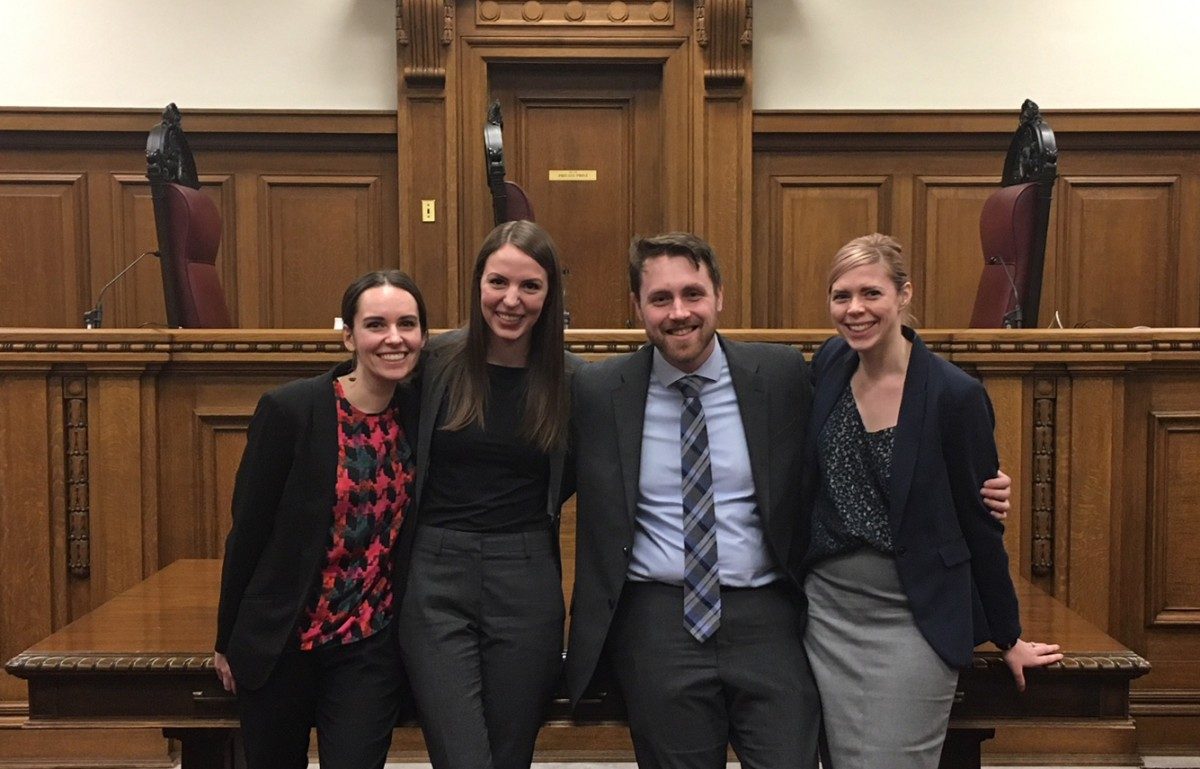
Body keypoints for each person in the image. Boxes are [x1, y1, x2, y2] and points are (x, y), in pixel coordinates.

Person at [802, 233, 1062, 769]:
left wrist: (1007, 634)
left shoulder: (953, 394)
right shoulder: (829, 363)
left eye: (871, 293)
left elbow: (980, 523)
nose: (854, 310)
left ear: (904, 295)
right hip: (825, 614)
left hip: (911, 616)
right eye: (840, 296)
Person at [213, 270, 427, 769]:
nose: (393, 338)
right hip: (282, 640)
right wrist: (227, 638)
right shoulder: (293, 409)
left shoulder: (421, 413)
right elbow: (248, 529)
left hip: (367, 645)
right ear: (349, 336)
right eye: (376, 324)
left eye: (408, 324)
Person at [396, 220, 579, 769]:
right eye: (498, 282)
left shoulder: (572, 382)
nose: (511, 300)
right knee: (463, 755)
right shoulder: (432, 364)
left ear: (549, 295)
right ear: (478, 285)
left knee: (509, 754)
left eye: (530, 286)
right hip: (435, 573)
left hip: (526, 575)